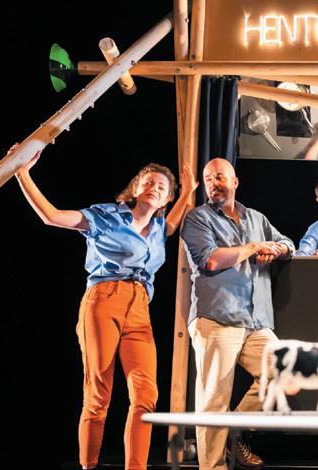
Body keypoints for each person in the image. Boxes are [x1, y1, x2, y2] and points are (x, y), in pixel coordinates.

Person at [13, 145, 198, 470]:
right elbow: (52, 216)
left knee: (146, 395)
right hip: (103, 302)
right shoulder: (105, 216)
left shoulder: (159, 229)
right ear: (136, 188)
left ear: (166, 199)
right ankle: (89, 465)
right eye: (148, 182)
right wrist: (21, 173)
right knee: (98, 393)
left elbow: (171, 224)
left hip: (140, 310)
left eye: (162, 187)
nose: (154, 188)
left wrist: (187, 193)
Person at [181, 157, 295, 470]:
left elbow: (288, 243)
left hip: (256, 320)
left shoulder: (256, 218)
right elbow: (211, 259)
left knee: (285, 368)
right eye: (207, 179)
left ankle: (234, 432)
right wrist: (254, 247)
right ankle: (213, 467)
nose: (213, 184)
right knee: (214, 400)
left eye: (219, 177)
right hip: (216, 317)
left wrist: (277, 249)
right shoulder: (198, 218)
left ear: (234, 182)